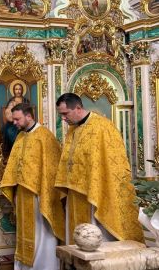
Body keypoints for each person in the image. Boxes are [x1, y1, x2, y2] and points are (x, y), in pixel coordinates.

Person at [55, 93, 144, 244]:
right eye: (61, 115)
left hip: (95, 191)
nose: (63, 118)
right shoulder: (72, 130)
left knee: (94, 238)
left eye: (65, 113)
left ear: (78, 108)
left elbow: (113, 162)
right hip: (74, 193)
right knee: (77, 237)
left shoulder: (103, 126)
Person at [0, 104, 65, 270]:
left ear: (29, 116)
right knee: (25, 236)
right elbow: (15, 166)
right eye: (14, 119)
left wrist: (44, 192)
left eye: (18, 119)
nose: (14, 122)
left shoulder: (45, 136)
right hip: (23, 196)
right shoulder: (21, 137)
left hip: (40, 196)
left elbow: (52, 168)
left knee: (42, 235)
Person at [2, 81, 29, 157]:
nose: (18, 91)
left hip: (23, 122)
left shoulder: (25, 100)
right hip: (12, 123)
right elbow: (8, 113)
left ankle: (21, 151)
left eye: (19, 89)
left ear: (22, 90)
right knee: (8, 131)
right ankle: (13, 151)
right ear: (13, 90)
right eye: (16, 89)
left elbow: (28, 111)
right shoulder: (11, 101)